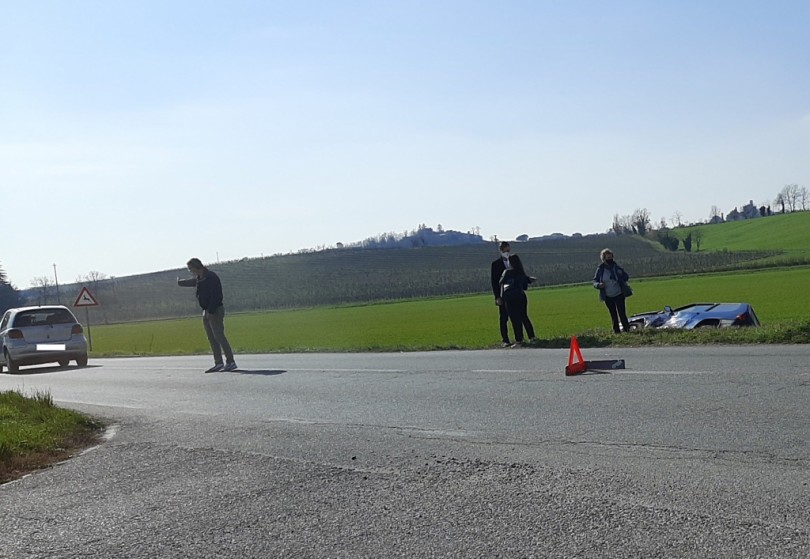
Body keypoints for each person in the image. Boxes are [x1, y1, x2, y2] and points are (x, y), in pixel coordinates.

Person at [178, 258, 238, 372]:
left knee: (219, 336)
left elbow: (216, 295)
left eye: (190, 269)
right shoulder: (200, 278)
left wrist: (211, 311)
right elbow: (193, 282)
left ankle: (230, 361)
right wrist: (180, 283)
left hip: (214, 310)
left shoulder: (210, 277)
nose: (190, 271)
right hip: (206, 311)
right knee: (211, 338)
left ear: (196, 267)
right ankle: (218, 363)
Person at [491, 242, 537, 347]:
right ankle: (506, 340)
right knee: (504, 318)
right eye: (504, 250)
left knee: (520, 317)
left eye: (507, 250)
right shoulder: (496, 264)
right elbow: (495, 282)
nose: (506, 253)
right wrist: (497, 296)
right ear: (500, 250)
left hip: (514, 296)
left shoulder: (515, 264)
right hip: (505, 296)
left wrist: (528, 280)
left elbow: (522, 277)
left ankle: (525, 339)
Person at [592, 248, 631, 334]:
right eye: (607, 258)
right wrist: (599, 285)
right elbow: (595, 281)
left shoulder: (617, 267)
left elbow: (626, 277)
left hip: (619, 294)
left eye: (611, 257)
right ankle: (616, 332)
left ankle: (627, 330)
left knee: (622, 313)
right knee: (613, 314)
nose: (610, 259)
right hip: (607, 296)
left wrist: (620, 275)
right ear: (603, 259)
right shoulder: (600, 269)